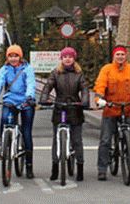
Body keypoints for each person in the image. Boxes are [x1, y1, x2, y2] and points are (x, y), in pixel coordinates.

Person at [93, 45, 130, 181]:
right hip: (111, 108)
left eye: (122, 54)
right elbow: (100, 85)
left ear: (126, 56)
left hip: (128, 109)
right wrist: (99, 98)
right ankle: (102, 169)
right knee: (105, 140)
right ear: (114, 56)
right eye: (118, 54)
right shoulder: (107, 69)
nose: (120, 57)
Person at [39, 46, 89, 182]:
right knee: (56, 139)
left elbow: (84, 89)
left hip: (75, 108)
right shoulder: (55, 73)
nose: (68, 59)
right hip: (60, 107)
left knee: (77, 140)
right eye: (65, 56)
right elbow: (48, 86)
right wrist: (44, 98)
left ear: (74, 59)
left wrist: (85, 101)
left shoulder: (79, 74)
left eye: (70, 57)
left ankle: (80, 168)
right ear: (61, 59)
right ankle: (55, 168)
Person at [0, 44, 37, 178]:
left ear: (20, 56)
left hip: (26, 101)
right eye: (10, 56)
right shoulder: (4, 69)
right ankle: (2, 145)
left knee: (26, 132)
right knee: (4, 120)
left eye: (15, 56)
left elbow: (31, 84)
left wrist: (30, 97)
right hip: (10, 100)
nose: (13, 58)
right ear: (7, 57)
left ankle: (29, 165)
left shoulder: (27, 69)